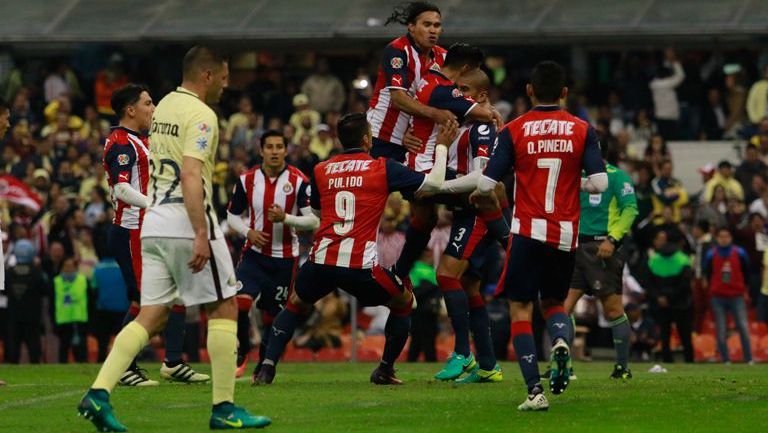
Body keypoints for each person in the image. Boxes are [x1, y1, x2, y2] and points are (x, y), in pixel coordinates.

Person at [77, 46, 271, 431]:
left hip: (153, 223)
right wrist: (201, 232)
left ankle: (98, 394)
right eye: (226, 76)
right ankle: (224, 407)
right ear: (208, 76)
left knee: (151, 314)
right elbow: (189, 173)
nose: (228, 84)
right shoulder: (201, 114)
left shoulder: (163, 105)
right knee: (224, 307)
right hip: (185, 217)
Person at [254, 112, 457, 386]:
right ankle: (385, 370)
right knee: (403, 301)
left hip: (321, 261)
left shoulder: (322, 169)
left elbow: (316, 214)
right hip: (359, 267)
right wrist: (442, 144)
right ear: (366, 139)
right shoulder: (382, 167)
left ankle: (267, 368)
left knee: (294, 304)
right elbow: (433, 184)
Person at [474, 61, 607, 411]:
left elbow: (488, 184)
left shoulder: (515, 130)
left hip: (527, 230)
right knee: (552, 303)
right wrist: (572, 182)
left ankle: (534, 391)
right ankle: (561, 340)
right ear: (565, 93)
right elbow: (600, 183)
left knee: (520, 308)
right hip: (564, 234)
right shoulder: (582, 129)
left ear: (529, 92)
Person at [102, 83, 205, 387]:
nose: (153, 108)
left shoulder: (143, 140)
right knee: (146, 302)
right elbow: (121, 189)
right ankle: (122, 366)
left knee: (175, 292)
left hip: (152, 229)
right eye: (148, 103)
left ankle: (172, 362)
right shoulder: (121, 142)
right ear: (130, 110)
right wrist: (155, 203)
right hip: (131, 230)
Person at [419, 68, 506, 383]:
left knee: (445, 274)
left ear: (482, 96)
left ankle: (462, 353)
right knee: (469, 287)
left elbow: (481, 179)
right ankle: (487, 365)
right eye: (455, 88)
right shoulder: (464, 125)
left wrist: (437, 188)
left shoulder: (483, 128)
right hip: (465, 213)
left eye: (464, 89)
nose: (457, 94)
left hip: (478, 214)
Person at [393, 44, 501, 282]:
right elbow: (487, 115)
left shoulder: (428, 81)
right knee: (486, 193)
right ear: (464, 68)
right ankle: (508, 246)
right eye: (468, 77)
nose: (462, 91)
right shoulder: (444, 90)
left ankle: (399, 273)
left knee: (426, 219)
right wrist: (489, 110)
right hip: (425, 171)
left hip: (416, 164)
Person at [226, 129, 318, 380]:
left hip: (284, 259)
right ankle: (242, 350)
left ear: (286, 150)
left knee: (273, 316)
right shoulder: (247, 180)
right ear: (261, 150)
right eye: (270, 147)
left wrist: (285, 218)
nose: (275, 151)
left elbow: (313, 221)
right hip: (254, 255)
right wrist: (248, 232)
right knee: (240, 303)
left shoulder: (300, 181)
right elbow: (232, 216)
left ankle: (264, 363)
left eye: (279, 147)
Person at [563, 141, 639, 379]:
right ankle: (563, 366)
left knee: (613, 311)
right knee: (562, 308)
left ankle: (622, 368)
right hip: (574, 247)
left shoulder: (618, 177)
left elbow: (630, 209)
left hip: (603, 248)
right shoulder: (576, 177)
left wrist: (613, 239)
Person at [367, 1, 456, 163]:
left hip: (415, 141)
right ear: (412, 27)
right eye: (427, 24)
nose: (432, 30)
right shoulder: (398, 50)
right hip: (382, 136)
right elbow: (398, 98)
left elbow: (460, 93)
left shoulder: (444, 57)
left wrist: (486, 108)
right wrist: (435, 114)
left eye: (437, 25)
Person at [703, 226, 754, 364]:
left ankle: (748, 358)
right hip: (718, 296)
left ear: (731, 238)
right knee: (721, 328)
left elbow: (747, 272)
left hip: (736, 295)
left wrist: (744, 290)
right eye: (721, 237)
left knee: (743, 326)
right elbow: (707, 273)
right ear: (717, 238)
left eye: (726, 236)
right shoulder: (711, 254)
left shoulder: (740, 253)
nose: (724, 239)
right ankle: (725, 359)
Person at [646, 230, 694, 362]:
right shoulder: (683, 259)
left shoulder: (654, 259)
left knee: (664, 335)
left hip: (661, 303)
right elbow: (685, 284)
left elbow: (650, 284)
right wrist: (671, 297)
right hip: (681, 303)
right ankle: (689, 361)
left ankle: (667, 361)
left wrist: (660, 297)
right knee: (685, 336)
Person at [4, 239, 48, 364]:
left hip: (13, 316)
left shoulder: (9, 272)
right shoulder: (37, 272)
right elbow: (46, 290)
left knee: (13, 349)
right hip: (32, 317)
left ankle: (13, 367)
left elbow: (4, 292)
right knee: (34, 348)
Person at [54, 256, 90, 363]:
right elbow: (52, 303)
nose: (69, 268)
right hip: (63, 320)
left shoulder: (83, 280)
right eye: (66, 266)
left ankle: (83, 370)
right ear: (62, 268)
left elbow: (90, 300)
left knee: (81, 352)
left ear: (75, 267)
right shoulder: (56, 282)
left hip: (80, 320)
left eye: (71, 266)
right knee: (63, 350)